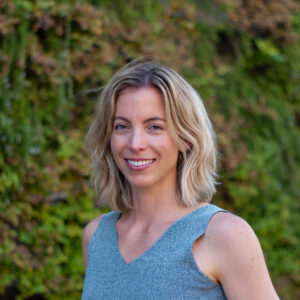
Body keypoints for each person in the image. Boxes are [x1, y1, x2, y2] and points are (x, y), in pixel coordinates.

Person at [81, 59, 279, 299]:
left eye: (154, 127)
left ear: (185, 138)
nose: (135, 144)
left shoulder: (224, 235)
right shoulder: (96, 237)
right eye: (122, 126)